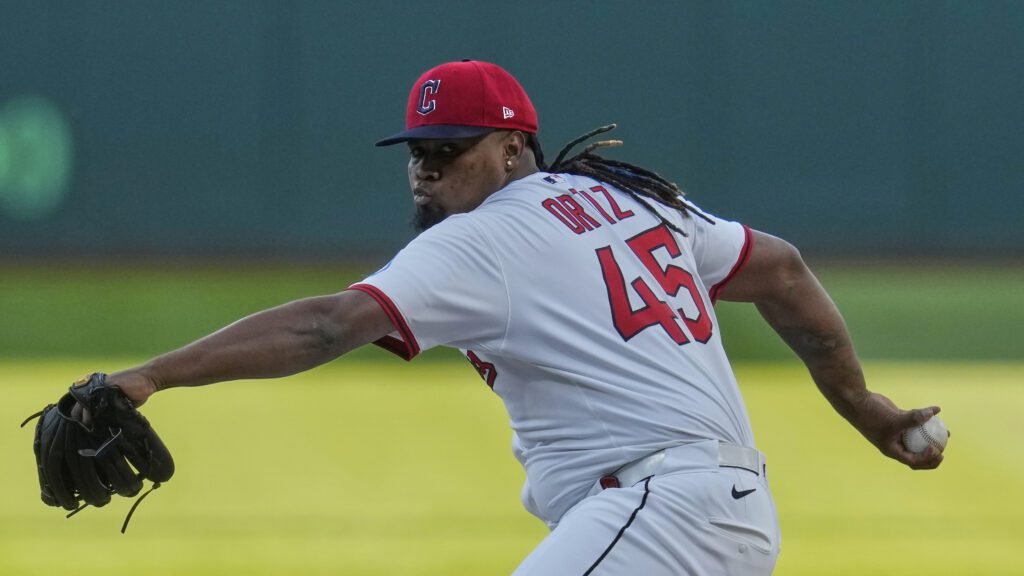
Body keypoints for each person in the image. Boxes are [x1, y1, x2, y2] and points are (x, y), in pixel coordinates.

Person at [102, 60, 944, 574]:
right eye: (418, 153)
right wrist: (862, 405)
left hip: (662, 513)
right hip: (719, 512)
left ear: (513, 148)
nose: (427, 171)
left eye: (450, 149)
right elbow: (782, 269)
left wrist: (153, 373)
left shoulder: (483, 240)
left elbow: (326, 326)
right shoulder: (627, 198)